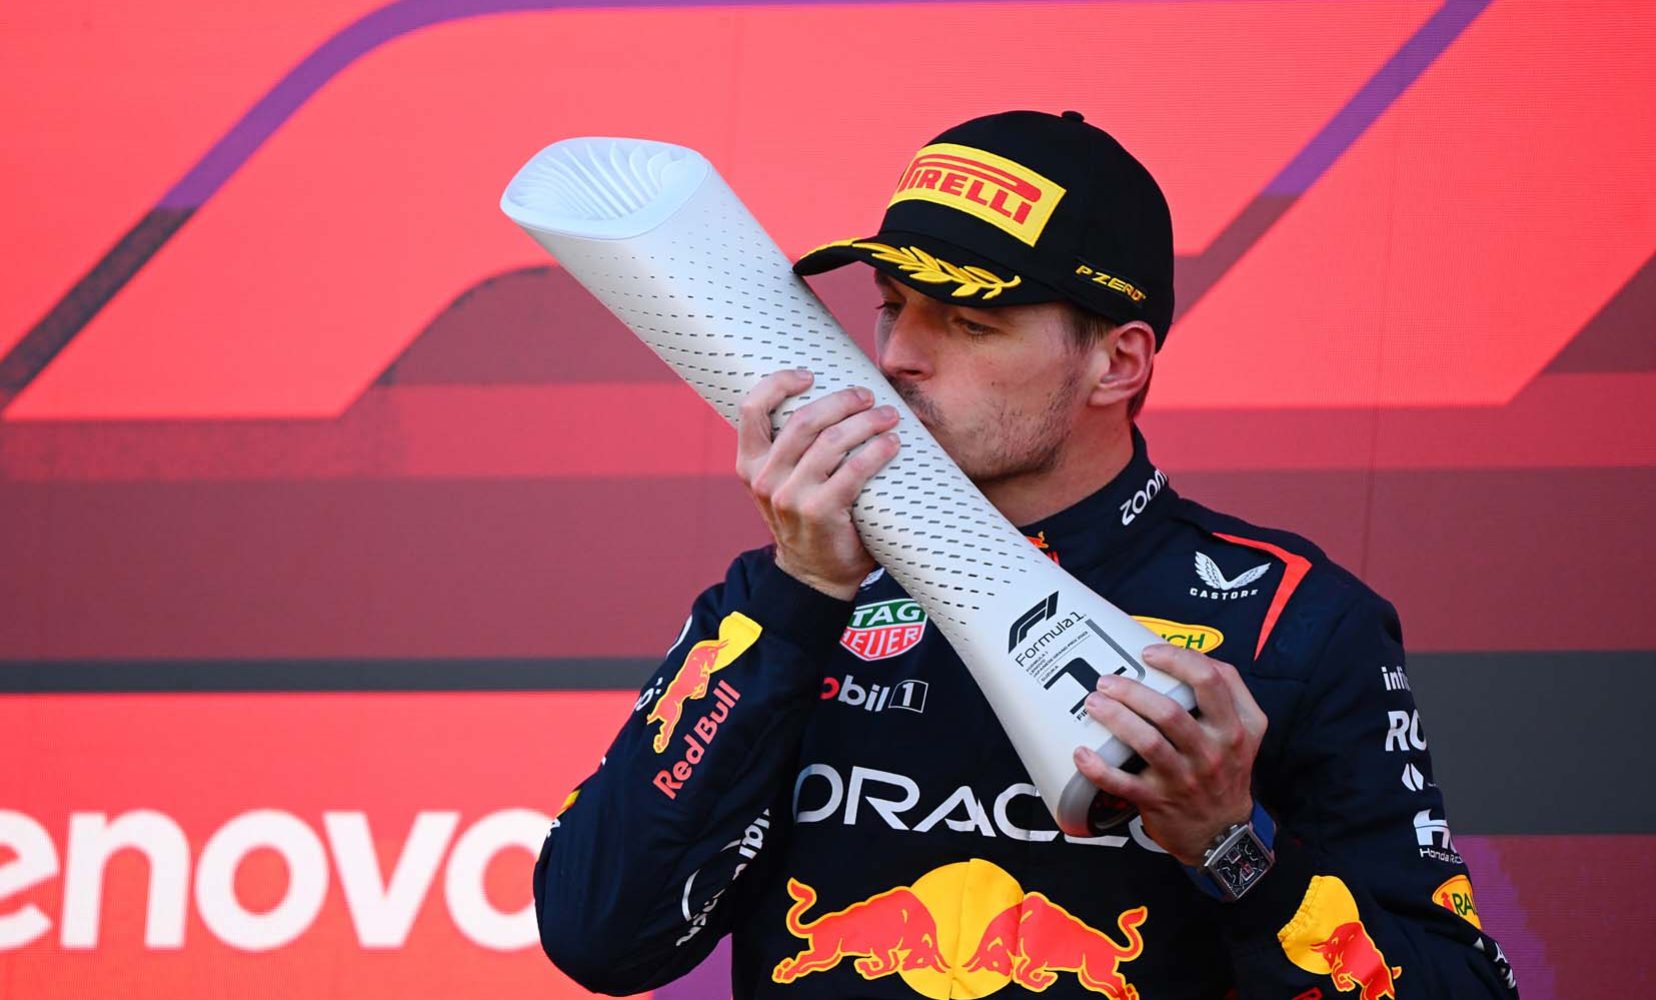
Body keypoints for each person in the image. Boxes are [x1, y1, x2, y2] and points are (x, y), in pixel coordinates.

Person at [533, 110, 1518, 999]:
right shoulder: (793, 588)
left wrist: (1231, 849)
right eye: (892, 305)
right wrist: (801, 597)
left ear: (1116, 361)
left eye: (968, 321)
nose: (900, 356)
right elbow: (602, 938)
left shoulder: (1289, 618)